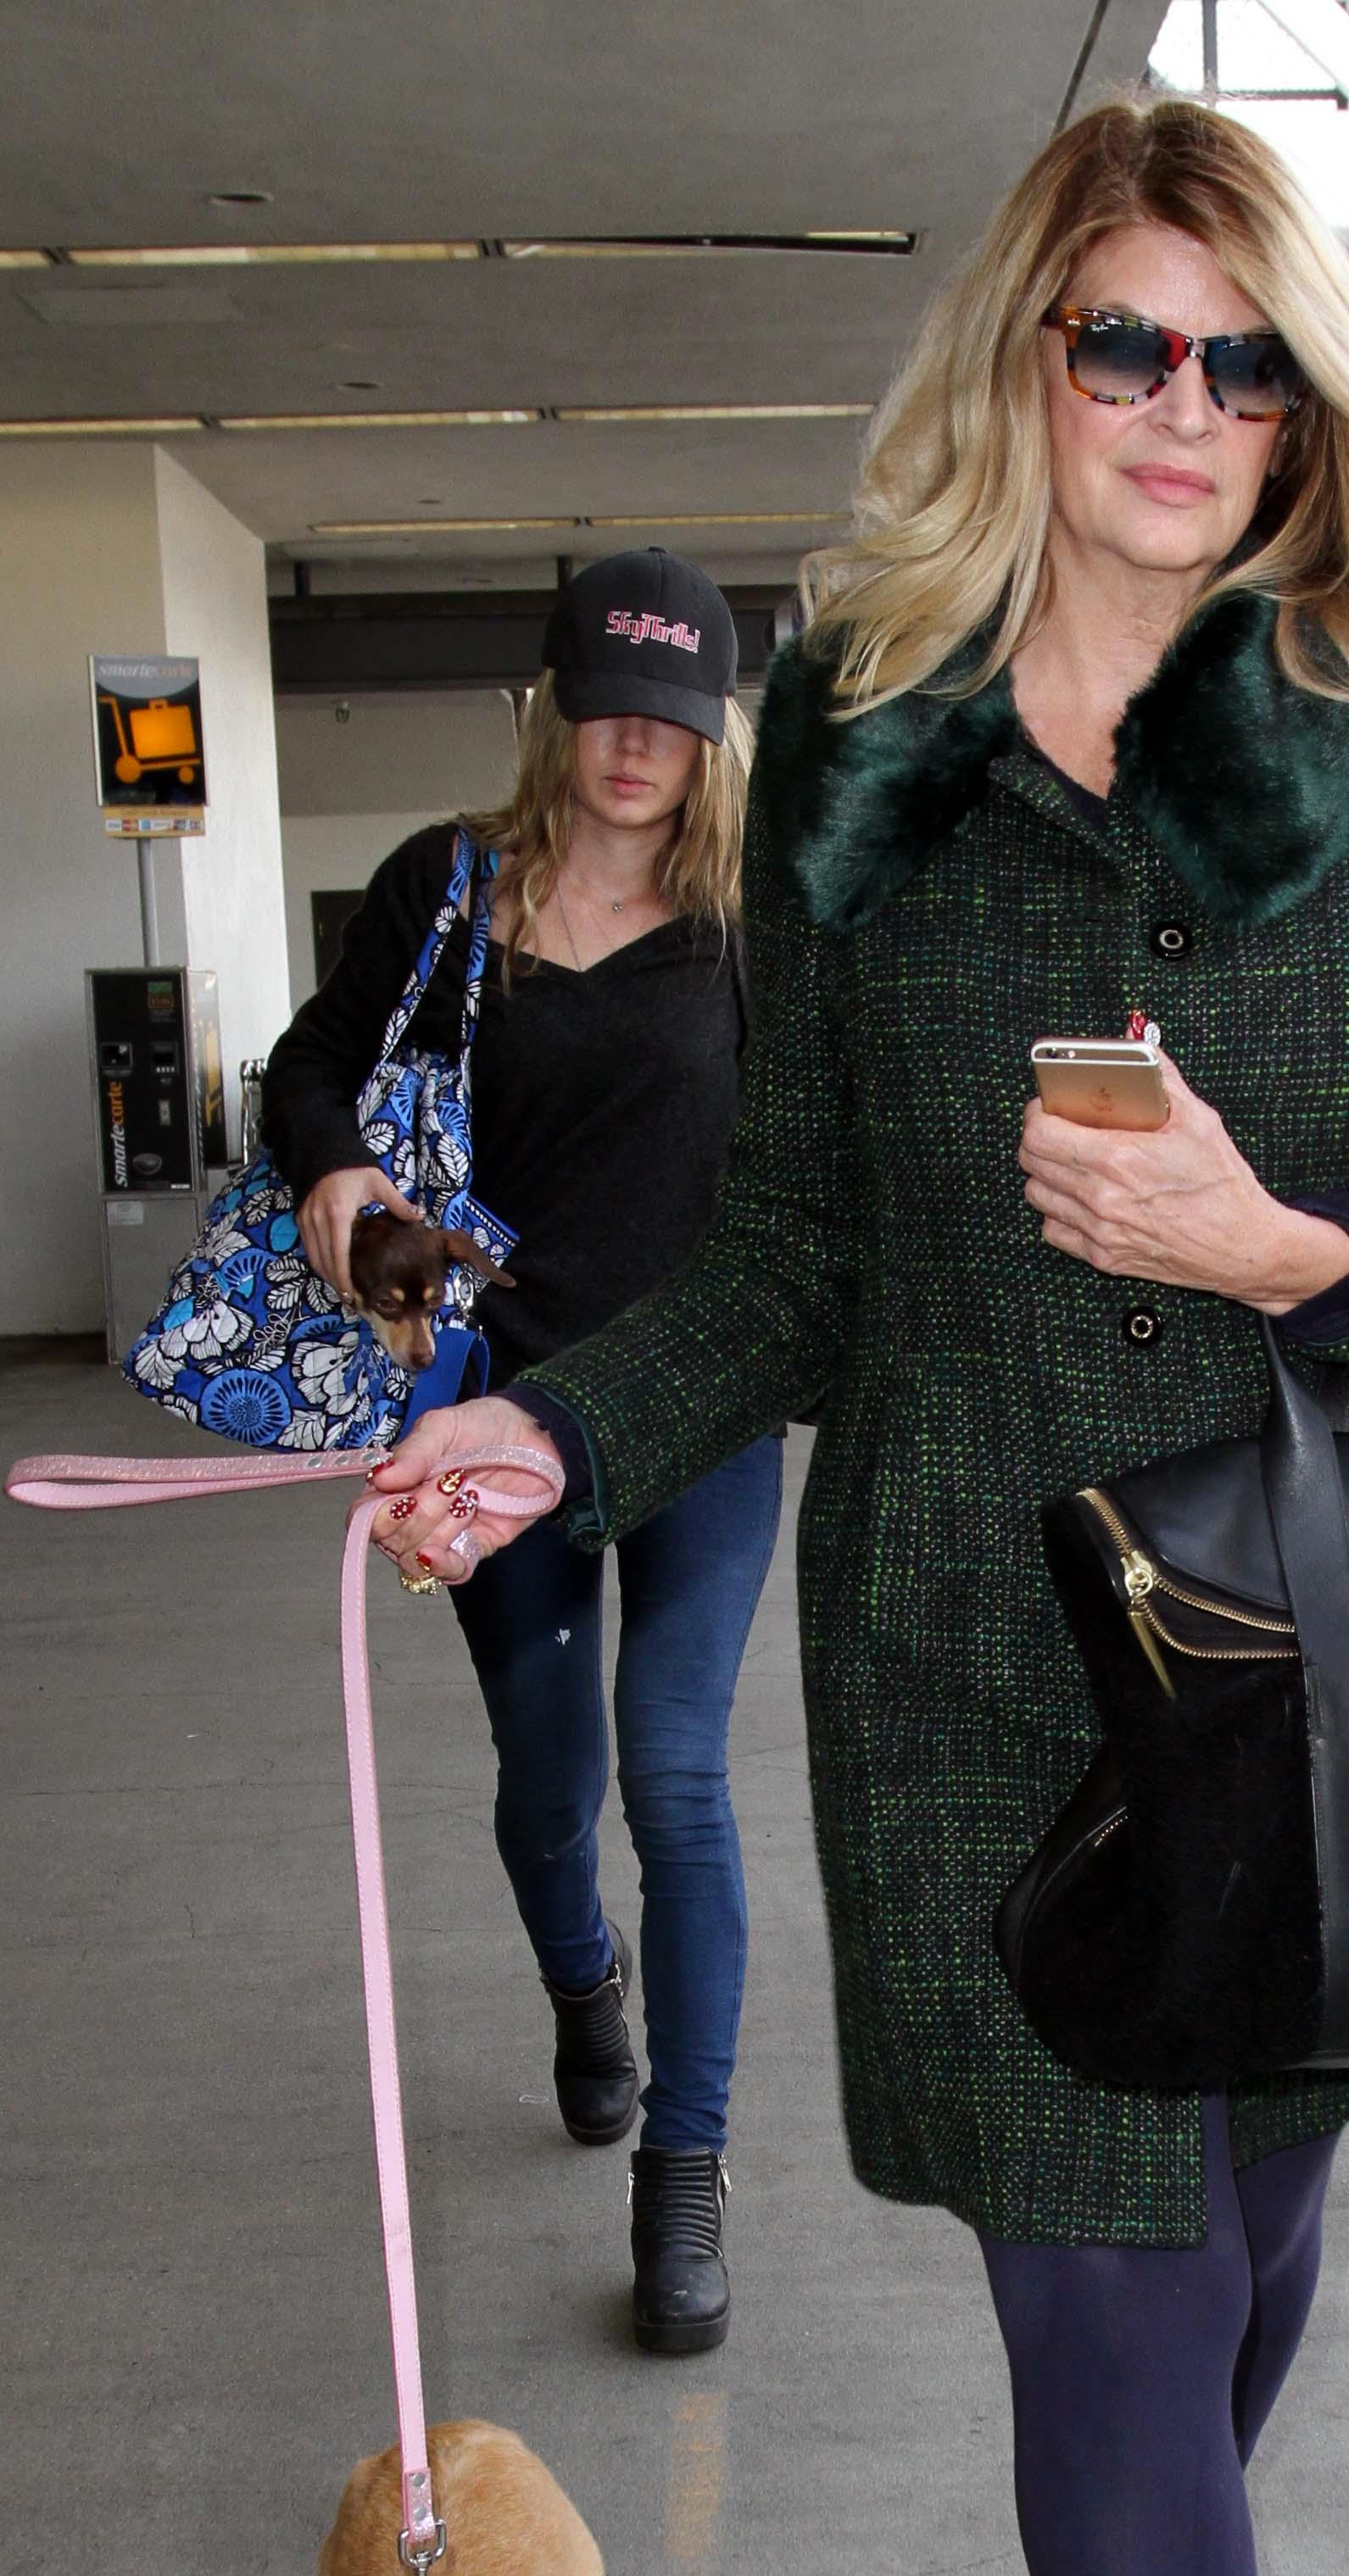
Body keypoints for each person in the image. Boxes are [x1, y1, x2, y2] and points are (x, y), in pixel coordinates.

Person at [369, 99, 1349, 2576]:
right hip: (961, 1679)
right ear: (1022, 373)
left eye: (1240, 356)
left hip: (1314, 1653)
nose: (1182, 411)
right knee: (1102, 2328)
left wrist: (1282, 1242)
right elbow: (784, 1252)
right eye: (1122, 346)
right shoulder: (867, 742)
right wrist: (554, 1434)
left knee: (1231, 2266)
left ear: (1300, 389)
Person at [265, 553, 779, 2357]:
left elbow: (819, 1174)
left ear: (712, 734)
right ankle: (585, 1988)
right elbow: (308, 1068)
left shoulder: (751, 924)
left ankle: (687, 2178)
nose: (636, 744)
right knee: (546, 1784)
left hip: (698, 1408)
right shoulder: (447, 890)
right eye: (608, 702)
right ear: (551, 702)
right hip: (496, 1417)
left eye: (675, 715)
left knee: (678, 1780)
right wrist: (338, 1172)